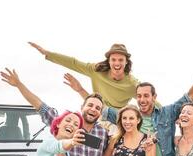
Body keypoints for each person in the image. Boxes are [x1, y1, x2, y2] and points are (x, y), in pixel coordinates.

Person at [0, 68, 111, 156]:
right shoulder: (66, 124)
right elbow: (40, 105)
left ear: (100, 114)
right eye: (90, 105)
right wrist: (19, 84)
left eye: (98, 108)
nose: (93, 109)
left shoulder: (103, 133)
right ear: (82, 107)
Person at [28, 42, 161, 109]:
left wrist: (170, 114)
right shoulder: (96, 70)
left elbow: (149, 99)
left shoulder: (131, 83)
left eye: (121, 60)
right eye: (113, 59)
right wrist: (48, 54)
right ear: (109, 61)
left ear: (126, 62)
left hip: (116, 117)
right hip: (97, 110)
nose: (117, 63)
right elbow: (74, 63)